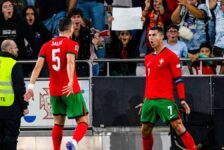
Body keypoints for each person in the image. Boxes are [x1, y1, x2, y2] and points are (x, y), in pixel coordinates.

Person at [24, 18, 88, 150]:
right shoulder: (72, 44)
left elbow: (37, 67)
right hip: (70, 89)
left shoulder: (46, 45)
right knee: (83, 121)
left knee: (58, 123)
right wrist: (70, 80)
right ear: (70, 29)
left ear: (58, 30)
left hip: (54, 91)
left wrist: (30, 87)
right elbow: (70, 62)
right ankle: (74, 142)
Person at [139, 26, 196, 150]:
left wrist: (182, 99)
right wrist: (144, 101)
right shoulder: (147, 58)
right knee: (145, 130)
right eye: (149, 35)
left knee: (178, 126)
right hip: (149, 100)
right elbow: (148, 81)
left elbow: (179, 80)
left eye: (154, 35)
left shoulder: (171, 56)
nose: (151, 38)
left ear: (161, 37)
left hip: (165, 100)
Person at [0, 39, 29, 150]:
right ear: (10, 49)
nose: (17, 50)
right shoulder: (13, 64)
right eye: (16, 47)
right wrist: (24, 106)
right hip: (10, 110)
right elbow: (19, 88)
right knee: (10, 139)